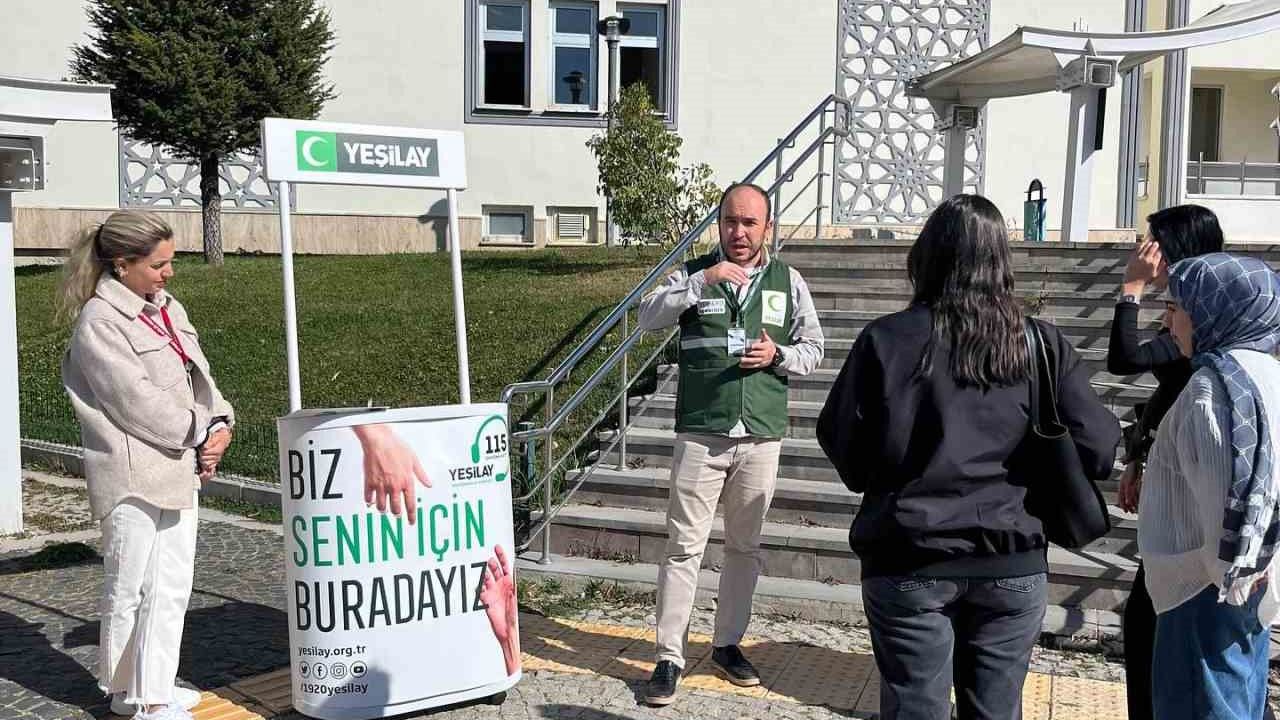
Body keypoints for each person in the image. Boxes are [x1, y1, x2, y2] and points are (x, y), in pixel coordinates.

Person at [817, 195, 1120, 720]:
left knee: (914, 709)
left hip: (909, 553)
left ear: (925, 256)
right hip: (1011, 555)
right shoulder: (1038, 344)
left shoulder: (886, 339)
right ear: (1001, 261)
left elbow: (846, 448)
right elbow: (1098, 449)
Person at [636, 182, 824, 705]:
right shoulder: (694, 273)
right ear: (719, 224)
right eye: (730, 222)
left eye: (749, 223)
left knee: (744, 548)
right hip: (702, 433)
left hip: (760, 435)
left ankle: (727, 644)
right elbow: (648, 315)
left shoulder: (789, 281)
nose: (738, 232)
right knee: (683, 548)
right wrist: (703, 280)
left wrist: (779, 355)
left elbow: (815, 347)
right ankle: (669, 657)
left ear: (768, 228)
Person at [59, 211, 234, 720]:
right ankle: (136, 696)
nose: (168, 273)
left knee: (171, 584)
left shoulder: (168, 308)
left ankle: (150, 687)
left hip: (178, 465)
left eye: (170, 262)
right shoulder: (100, 322)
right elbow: (134, 403)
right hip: (132, 475)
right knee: (130, 585)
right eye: (158, 265)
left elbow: (199, 374)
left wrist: (220, 423)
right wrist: (200, 432)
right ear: (122, 264)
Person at [1139, 253, 1280, 720]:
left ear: (1211, 312)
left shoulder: (1214, 387)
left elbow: (1227, 502)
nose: (1167, 321)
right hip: (1249, 581)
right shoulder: (1267, 373)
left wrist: (1230, 576)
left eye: (1176, 307)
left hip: (1206, 589)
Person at [1106, 204, 1232, 720]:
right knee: (1147, 623)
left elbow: (1125, 359)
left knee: (1156, 626)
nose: (1144, 251)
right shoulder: (1187, 312)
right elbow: (1165, 390)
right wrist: (1138, 455)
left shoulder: (1205, 316)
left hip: (1197, 495)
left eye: (1152, 242)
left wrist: (1131, 289)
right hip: (1172, 478)